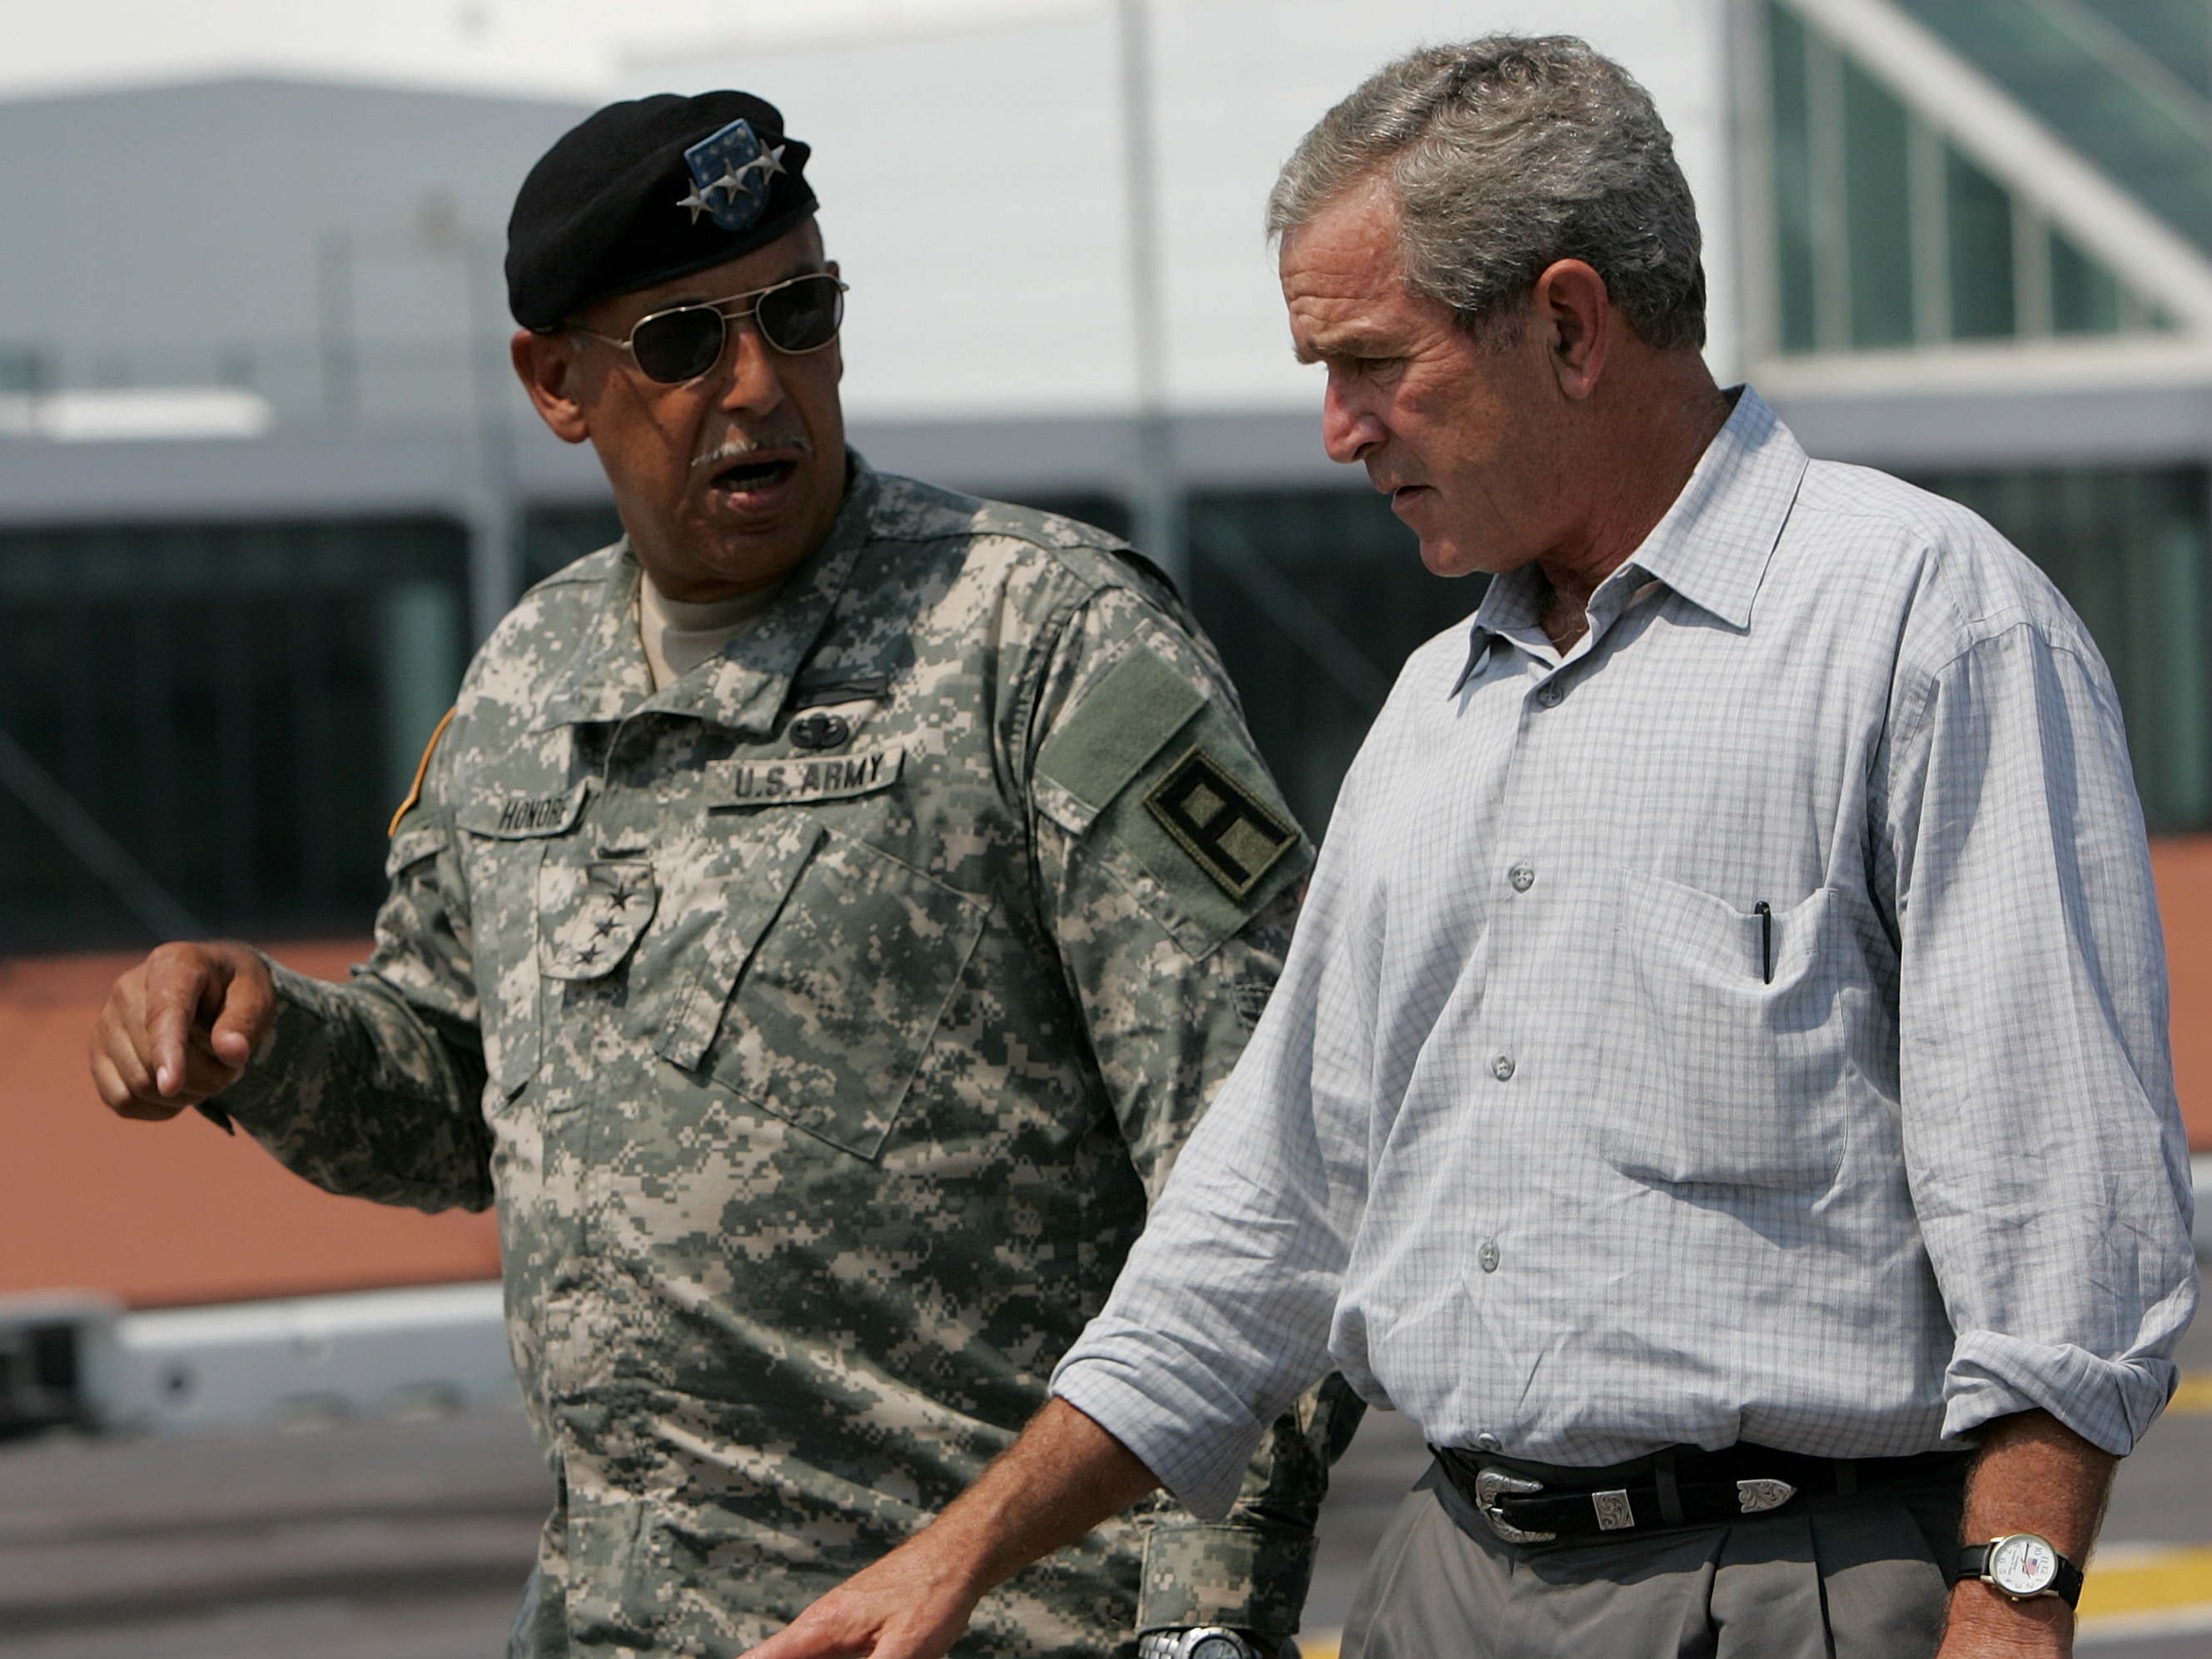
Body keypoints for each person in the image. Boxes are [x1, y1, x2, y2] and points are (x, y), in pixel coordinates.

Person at [741, 36, 2199, 1659]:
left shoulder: (1926, 627)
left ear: (1569, 324)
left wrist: (2014, 1609)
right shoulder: (1434, 715)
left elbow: (2066, 1214)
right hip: (1444, 1589)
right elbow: (1263, 1220)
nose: (1336, 430)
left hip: (1791, 1592)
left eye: (1371, 361)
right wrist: (958, 1556)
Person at [84, 91, 1357, 1659]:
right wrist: (265, 1038)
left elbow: (1270, 1171)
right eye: (683, 343)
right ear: (555, 382)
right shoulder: (525, 681)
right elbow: (451, 1102)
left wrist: (1204, 1631)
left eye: (799, 316)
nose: (759, 388)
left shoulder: (1042, 642)